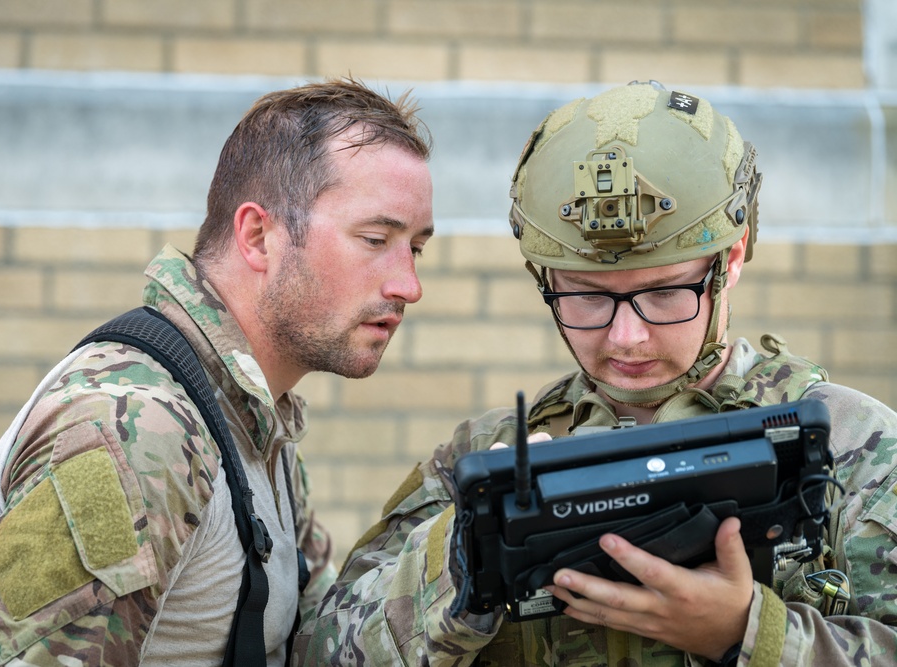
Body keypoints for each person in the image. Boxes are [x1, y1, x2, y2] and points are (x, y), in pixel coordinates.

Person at [292, 81, 897, 665]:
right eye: (586, 298)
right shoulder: (480, 460)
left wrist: (747, 634)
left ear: (729, 262)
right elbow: (320, 653)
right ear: (545, 282)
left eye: (664, 294)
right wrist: (463, 566)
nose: (625, 337)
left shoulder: (856, 448)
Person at [0, 78, 435, 666]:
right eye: (374, 238)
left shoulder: (254, 422)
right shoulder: (134, 429)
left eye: (416, 248)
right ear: (259, 236)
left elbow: (317, 650)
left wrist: (461, 568)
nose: (408, 285)